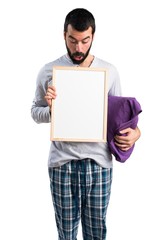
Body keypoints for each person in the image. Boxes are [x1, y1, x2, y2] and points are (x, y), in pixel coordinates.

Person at [31, 8, 141, 240]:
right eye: (72, 40)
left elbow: (119, 117)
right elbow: (34, 112)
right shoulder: (48, 71)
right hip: (62, 164)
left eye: (84, 41)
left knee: (96, 234)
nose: (78, 48)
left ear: (93, 36)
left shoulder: (108, 71)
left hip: (99, 165)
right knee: (66, 235)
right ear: (64, 36)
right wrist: (52, 110)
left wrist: (136, 133)